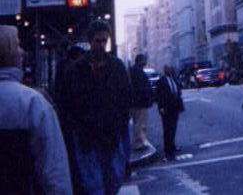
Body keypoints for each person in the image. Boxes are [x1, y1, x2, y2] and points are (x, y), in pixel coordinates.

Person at [61, 19, 132, 195]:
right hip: (87, 137)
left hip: (111, 134)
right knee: (94, 185)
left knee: (113, 180)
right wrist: (77, 130)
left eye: (104, 41)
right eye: (98, 41)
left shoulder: (117, 67)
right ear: (90, 41)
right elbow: (67, 103)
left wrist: (120, 124)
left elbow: (126, 98)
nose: (101, 45)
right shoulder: (75, 70)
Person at [0, 24, 73, 195]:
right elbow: (54, 170)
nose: (22, 51)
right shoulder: (33, 103)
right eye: (17, 45)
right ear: (9, 53)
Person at [156, 64, 184, 161]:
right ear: (165, 70)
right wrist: (161, 107)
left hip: (175, 107)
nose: (170, 70)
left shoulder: (174, 79)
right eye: (168, 69)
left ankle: (172, 145)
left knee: (173, 127)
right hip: (166, 108)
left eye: (171, 69)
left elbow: (178, 90)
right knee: (167, 129)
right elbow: (159, 95)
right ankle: (168, 150)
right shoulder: (161, 81)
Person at [129, 53, 153, 151]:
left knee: (139, 123)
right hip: (139, 103)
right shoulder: (137, 71)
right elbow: (140, 87)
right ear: (140, 61)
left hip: (138, 102)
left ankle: (141, 141)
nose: (146, 62)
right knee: (140, 123)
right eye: (144, 60)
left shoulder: (135, 70)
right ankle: (139, 143)